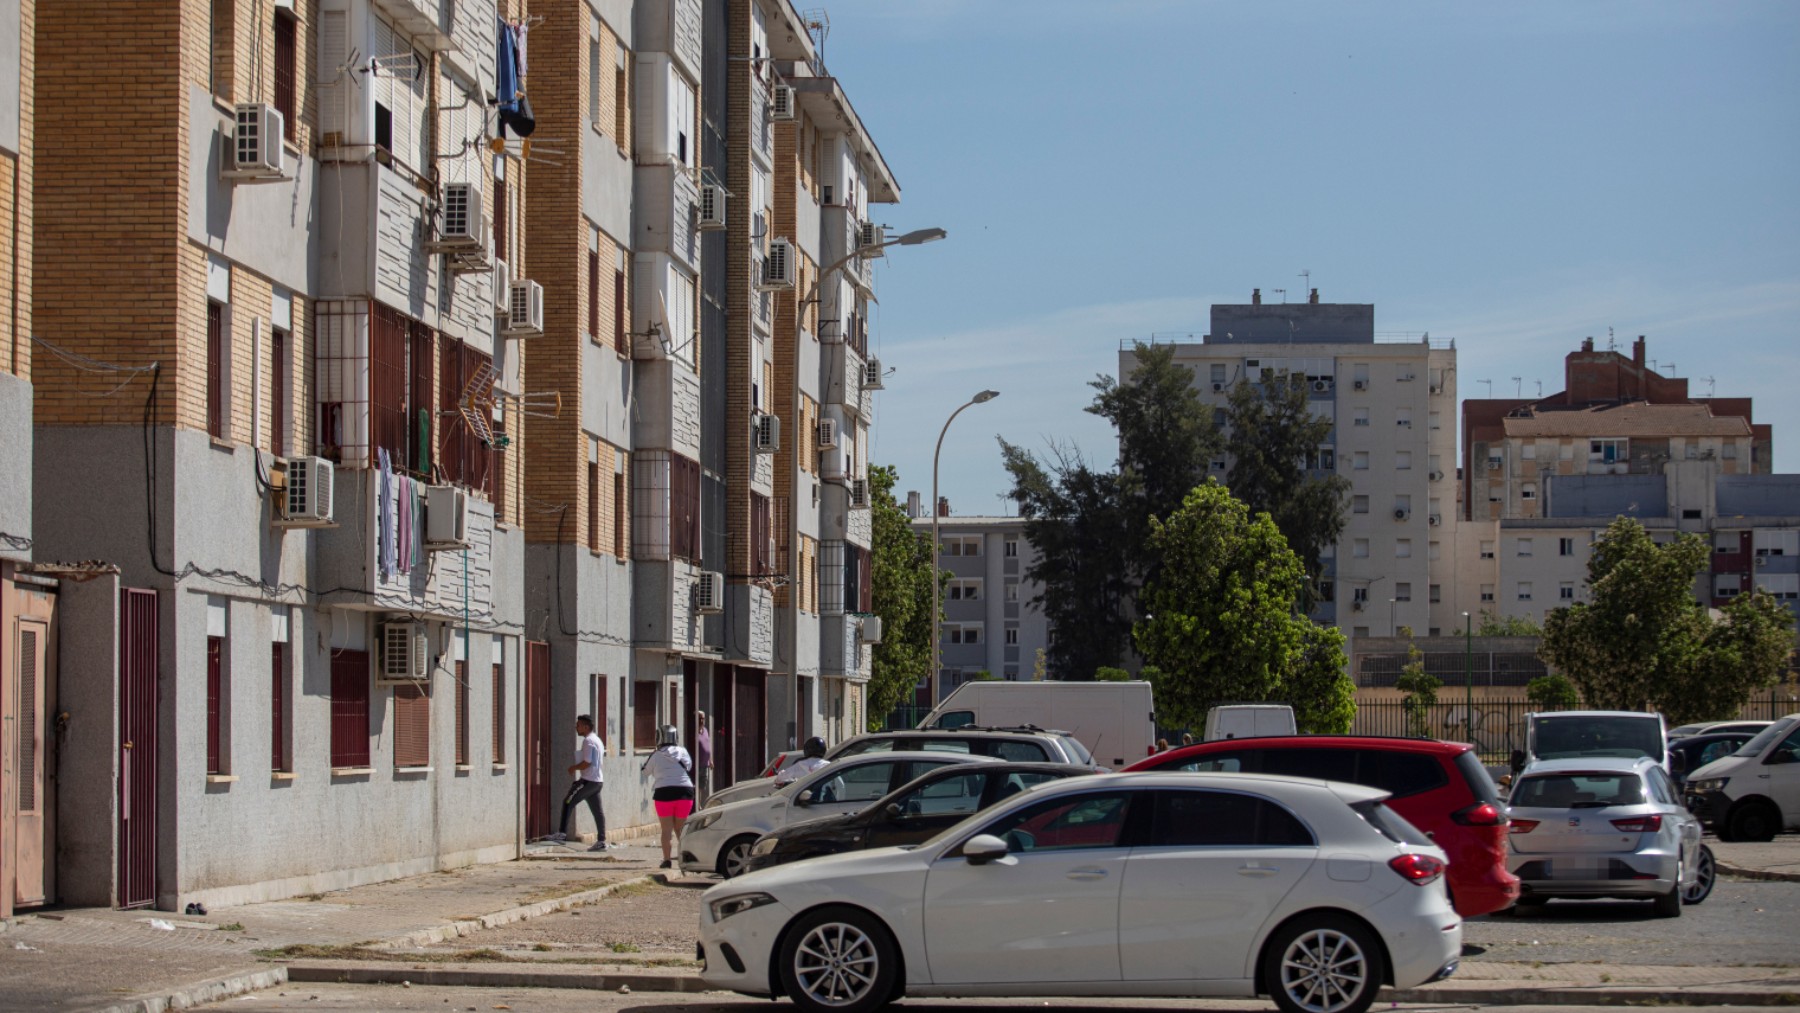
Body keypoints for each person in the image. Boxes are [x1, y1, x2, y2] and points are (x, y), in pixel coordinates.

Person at [548, 714, 608, 851]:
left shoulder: (588, 741)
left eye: (579, 725)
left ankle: (561, 834)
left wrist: (573, 767)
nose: (576, 727)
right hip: (597, 781)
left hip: (588, 780)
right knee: (597, 811)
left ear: (586, 727)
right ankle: (601, 841)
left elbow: (587, 762)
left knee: (568, 801)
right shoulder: (597, 739)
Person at [643, 724, 696, 870]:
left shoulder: (656, 754)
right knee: (680, 828)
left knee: (666, 829)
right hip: (685, 791)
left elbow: (645, 772)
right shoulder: (683, 751)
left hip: (663, 792)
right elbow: (689, 767)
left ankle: (667, 860)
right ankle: (686, 858)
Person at [694, 711, 713, 805]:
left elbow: (708, 745)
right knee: (696, 786)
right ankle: (696, 805)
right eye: (699, 718)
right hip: (697, 764)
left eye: (703, 718)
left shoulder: (705, 730)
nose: (701, 720)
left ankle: (699, 804)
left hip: (705, 764)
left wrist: (710, 760)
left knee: (702, 786)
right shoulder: (693, 732)